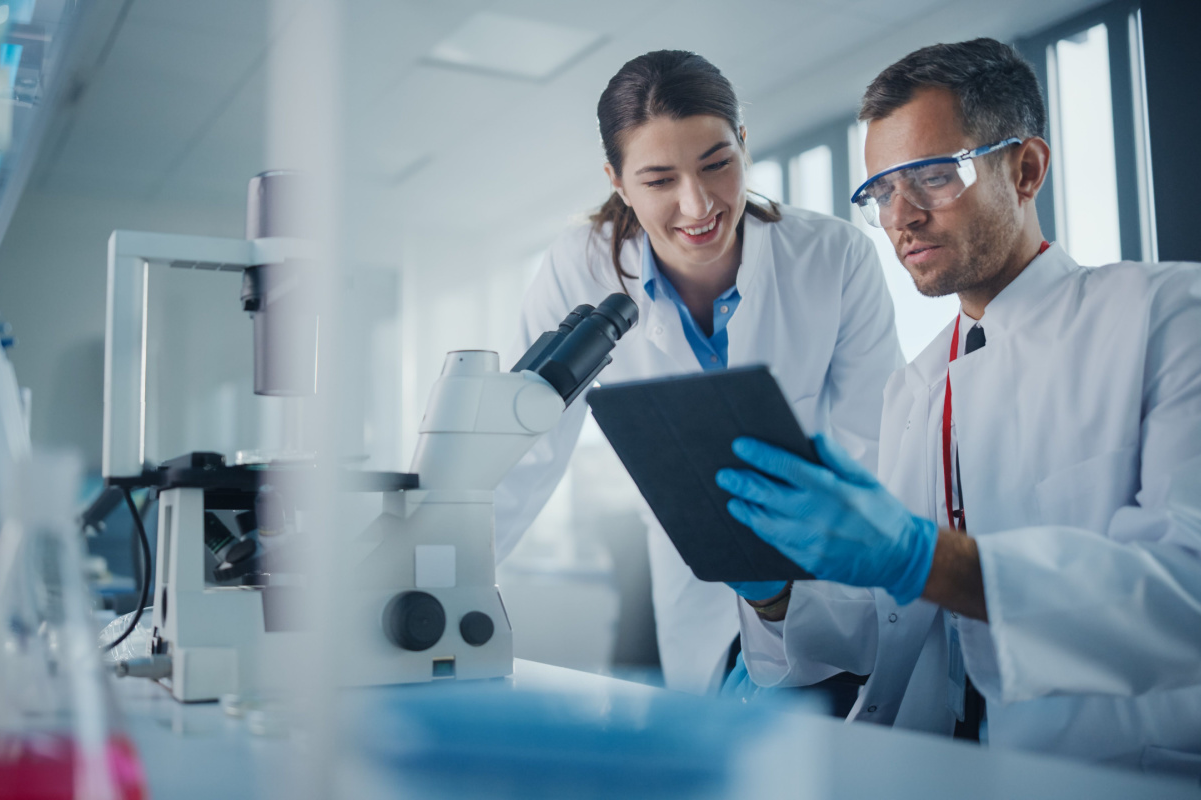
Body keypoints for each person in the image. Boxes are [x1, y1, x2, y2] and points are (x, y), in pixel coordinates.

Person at [715, 38, 1201, 777]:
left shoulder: (1168, 315)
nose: (899, 217)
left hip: (1106, 771)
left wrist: (926, 557)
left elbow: (1186, 595)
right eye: (879, 191)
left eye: (933, 177)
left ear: (1027, 168)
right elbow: (896, 623)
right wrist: (780, 594)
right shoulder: (913, 386)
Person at [493, 50, 903, 695]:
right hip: (695, 587)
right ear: (618, 182)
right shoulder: (581, 266)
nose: (697, 204)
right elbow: (522, 448)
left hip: (829, 579)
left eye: (717, 164)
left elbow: (875, 450)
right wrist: (434, 577)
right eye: (658, 180)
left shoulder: (835, 256)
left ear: (743, 143)